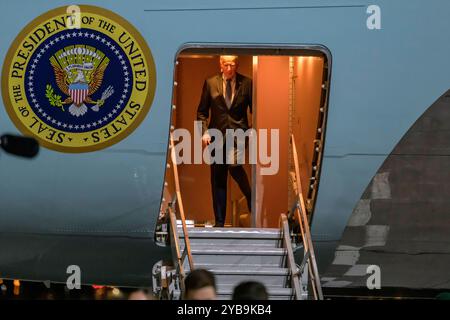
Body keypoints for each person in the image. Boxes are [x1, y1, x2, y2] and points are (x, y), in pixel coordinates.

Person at [197, 55, 252, 227]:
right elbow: (202, 112)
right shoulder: (210, 83)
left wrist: (253, 131)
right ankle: (219, 222)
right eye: (226, 64)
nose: (229, 68)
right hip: (216, 135)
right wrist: (204, 133)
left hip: (238, 134)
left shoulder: (247, 83)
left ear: (237, 65)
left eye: (233, 64)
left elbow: (255, 109)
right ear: (220, 65)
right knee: (218, 178)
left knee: (234, 166)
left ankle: (251, 197)